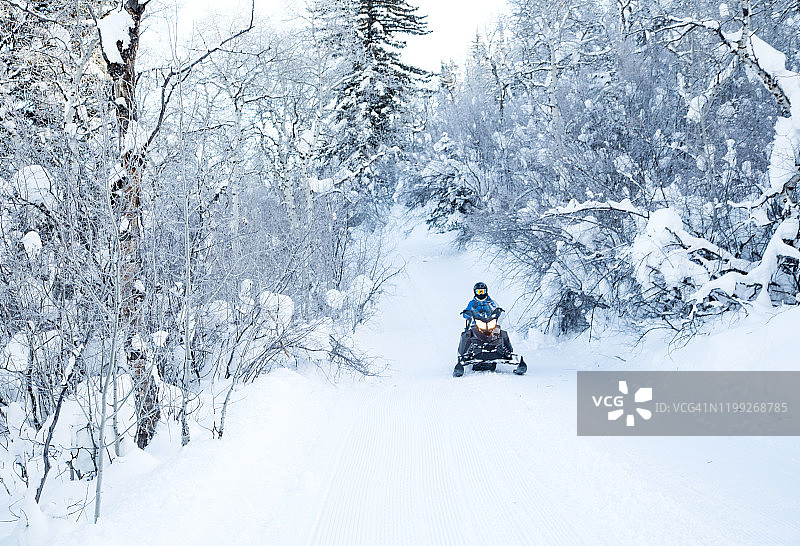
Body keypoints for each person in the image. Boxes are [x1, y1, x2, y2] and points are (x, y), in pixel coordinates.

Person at [457, 281, 513, 362]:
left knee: (502, 333)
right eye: (478, 291)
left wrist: (499, 311)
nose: (480, 294)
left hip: (490, 322)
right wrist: (467, 313)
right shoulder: (472, 303)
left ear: (486, 291)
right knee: (467, 335)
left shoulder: (491, 302)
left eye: (482, 291)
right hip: (476, 323)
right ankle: (464, 354)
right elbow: (467, 311)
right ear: (475, 292)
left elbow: (496, 308)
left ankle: (508, 352)